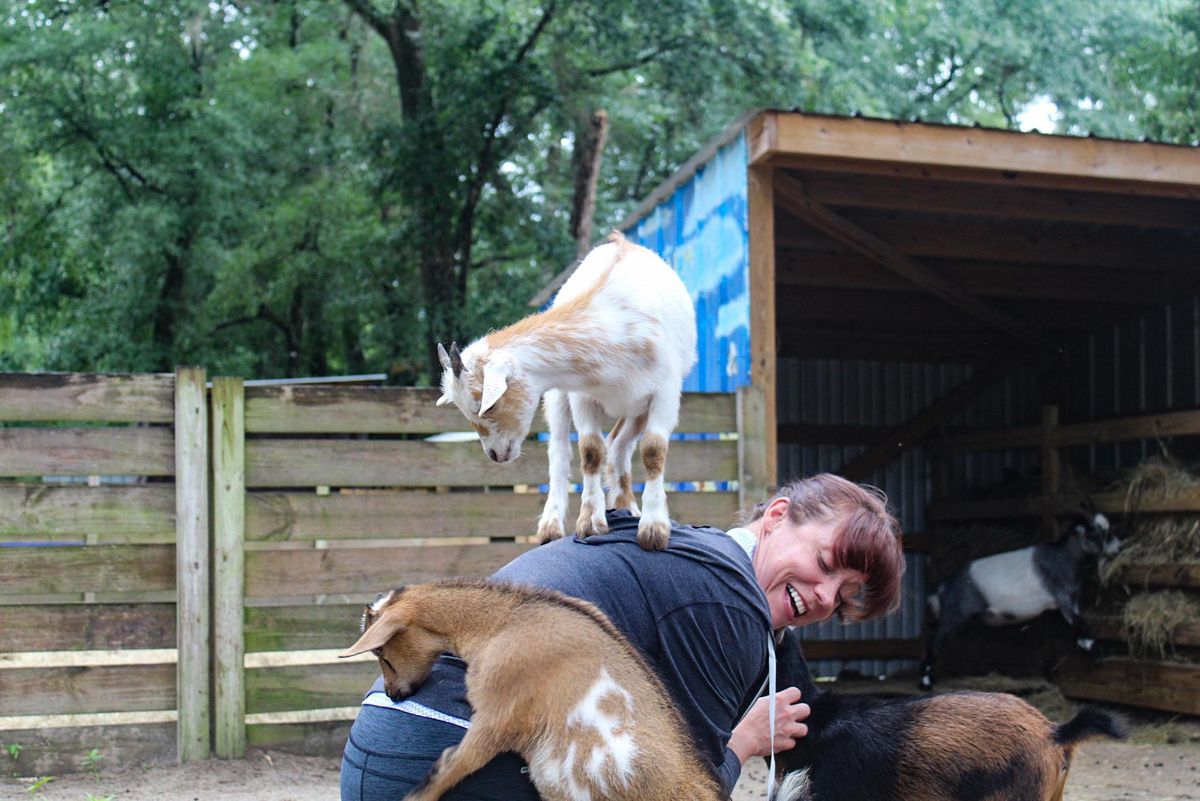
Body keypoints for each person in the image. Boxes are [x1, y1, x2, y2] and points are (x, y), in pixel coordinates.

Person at [340, 473, 905, 800]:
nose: (827, 596)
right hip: (451, 761)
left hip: (374, 750)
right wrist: (746, 740)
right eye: (827, 562)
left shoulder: (683, 554)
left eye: (845, 595)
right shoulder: (727, 599)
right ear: (778, 514)